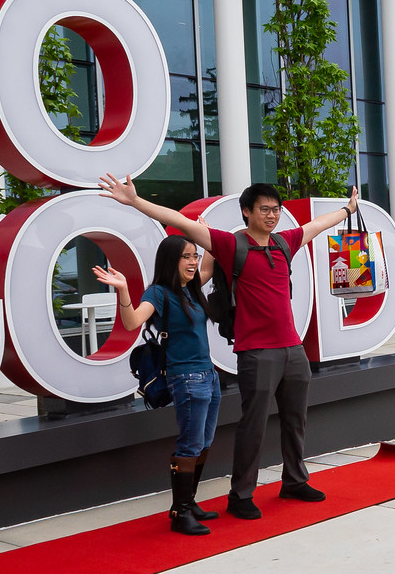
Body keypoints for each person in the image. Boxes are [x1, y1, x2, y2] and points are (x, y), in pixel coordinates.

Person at [98, 175, 359, 520]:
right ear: (246, 212)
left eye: (276, 209)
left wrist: (347, 209)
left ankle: (295, 480)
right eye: (264, 209)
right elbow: (178, 221)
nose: (272, 215)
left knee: (296, 420)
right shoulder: (230, 244)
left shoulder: (284, 243)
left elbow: (316, 225)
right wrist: (135, 201)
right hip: (256, 351)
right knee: (254, 424)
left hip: (293, 348)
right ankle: (240, 494)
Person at [97, 236, 220, 535]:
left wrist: (206, 235)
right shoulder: (160, 293)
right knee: (189, 445)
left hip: (209, 375)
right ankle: (180, 513)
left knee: (203, 443)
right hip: (186, 379)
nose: (193, 262)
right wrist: (124, 290)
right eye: (186, 257)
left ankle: (188, 502)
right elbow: (132, 322)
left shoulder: (190, 289)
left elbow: (210, 264)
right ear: (170, 261)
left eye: (195, 255)